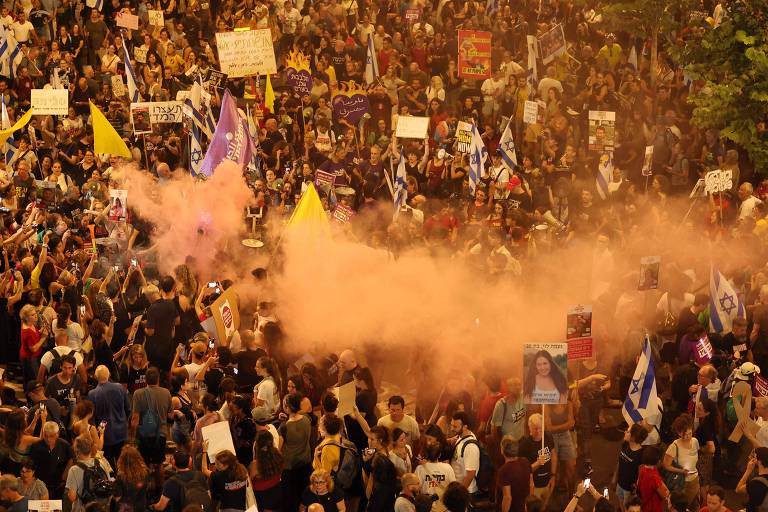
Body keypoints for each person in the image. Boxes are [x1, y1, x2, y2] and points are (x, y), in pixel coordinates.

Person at [131, 367, 173, 488]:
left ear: (145, 380)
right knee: (159, 464)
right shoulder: (166, 393)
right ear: (158, 379)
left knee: (142, 464)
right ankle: (159, 490)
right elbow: (170, 415)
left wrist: (133, 438)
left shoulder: (138, 394)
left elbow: (135, 419)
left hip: (143, 435)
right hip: (161, 434)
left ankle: (142, 490)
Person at [87, 365, 132, 466]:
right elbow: (128, 409)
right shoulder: (120, 387)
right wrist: (124, 421)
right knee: (123, 464)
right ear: (109, 374)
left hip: (104, 434)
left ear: (95, 376)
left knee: (108, 465)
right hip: (121, 431)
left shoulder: (92, 394)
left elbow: (91, 417)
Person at [518, 413, 556, 508]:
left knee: (545, 507)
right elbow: (524, 471)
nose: (538, 431)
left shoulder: (548, 436)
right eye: (535, 428)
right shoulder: (525, 445)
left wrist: (553, 475)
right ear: (529, 428)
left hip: (548, 482)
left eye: (540, 428)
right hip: (534, 486)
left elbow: (554, 455)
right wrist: (538, 463)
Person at [28, 421, 73, 499]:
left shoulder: (64, 445)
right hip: (40, 485)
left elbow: (71, 459)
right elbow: (30, 464)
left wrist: (64, 478)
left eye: (51, 436)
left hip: (58, 485)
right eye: (46, 436)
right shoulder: (36, 447)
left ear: (57, 434)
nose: (48, 439)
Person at [614, 424, 647, 510]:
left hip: (629, 490)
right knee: (620, 502)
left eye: (628, 431)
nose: (625, 432)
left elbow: (641, 475)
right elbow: (620, 462)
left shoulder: (641, 455)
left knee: (627, 507)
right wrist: (615, 477)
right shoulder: (625, 444)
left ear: (633, 437)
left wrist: (635, 491)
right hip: (620, 483)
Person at [249, 430, 283, 511]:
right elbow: (281, 470)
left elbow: (249, 483)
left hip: (262, 497)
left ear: (257, 444)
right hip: (277, 490)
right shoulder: (278, 454)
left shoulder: (255, 465)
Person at [495, 435, 532, 512]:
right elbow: (531, 484)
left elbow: (507, 497)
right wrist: (528, 504)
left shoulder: (504, 470)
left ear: (502, 450)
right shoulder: (525, 461)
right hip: (524, 507)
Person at [449, 411, 480, 497]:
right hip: (458, 488)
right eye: (451, 425)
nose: (452, 429)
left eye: (455, 426)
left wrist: (460, 494)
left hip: (466, 492)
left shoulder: (471, 447)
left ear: (465, 427)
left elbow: (470, 474)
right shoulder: (461, 436)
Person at [114, 445, 151, 512]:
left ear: (121, 459)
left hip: (126, 508)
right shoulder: (145, 472)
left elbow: (117, 498)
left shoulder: (120, 476)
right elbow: (146, 488)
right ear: (138, 457)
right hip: (141, 506)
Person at [637, 445, 670, 512]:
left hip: (643, 504)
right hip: (653, 507)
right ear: (658, 461)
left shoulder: (642, 468)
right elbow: (665, 494)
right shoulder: (654, 477)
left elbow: (638, 484)